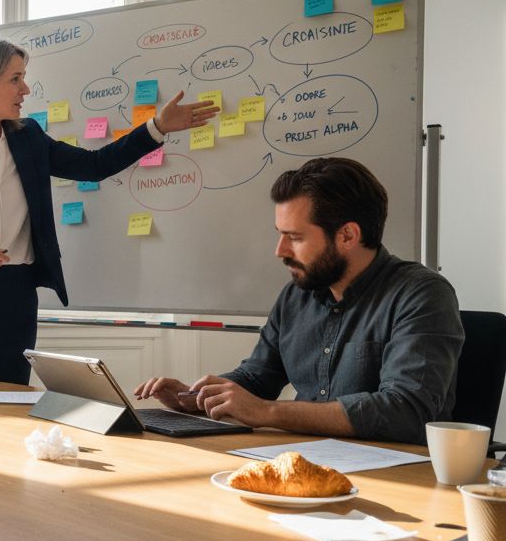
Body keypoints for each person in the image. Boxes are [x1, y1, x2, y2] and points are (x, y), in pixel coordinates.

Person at [0, 36, 218, 384]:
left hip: (14, 294)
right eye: (15, 79)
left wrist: (157, 127)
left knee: (10, 403)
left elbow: (94, 165)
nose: (26, 89)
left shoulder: (28, 137)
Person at [134, 157, 463, 445]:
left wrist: (267, 412)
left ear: (348, 236)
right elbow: (258, 378)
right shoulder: (297, 295)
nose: (280, 250)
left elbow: (406, 411)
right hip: (305, 460)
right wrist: (197, 398)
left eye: (295, 237)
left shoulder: (421, 294)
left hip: (397, 474)